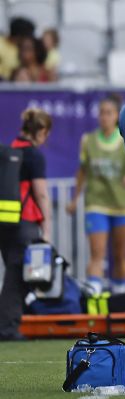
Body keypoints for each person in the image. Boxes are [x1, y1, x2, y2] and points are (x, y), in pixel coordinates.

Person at [67, 95, 125, 295]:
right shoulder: (88, 140)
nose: (104, 117)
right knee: (97, 254)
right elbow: (82, 171)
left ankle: (120, 292)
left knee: (120, 255)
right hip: (96, 204)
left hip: (121, 205)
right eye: (101, 112)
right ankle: (94, 294)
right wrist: (74, 198)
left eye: (109, 113)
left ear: (117, 116)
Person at [0, 109, 53, 341]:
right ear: (41, 131)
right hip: (26, 221)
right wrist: (48, 227)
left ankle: (9, 323)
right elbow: (40, 194)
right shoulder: (34, 156)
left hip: (5, 220)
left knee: (13, 272)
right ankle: (8, 328)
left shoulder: (9, 150)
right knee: (17, 276)